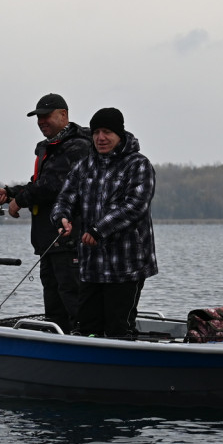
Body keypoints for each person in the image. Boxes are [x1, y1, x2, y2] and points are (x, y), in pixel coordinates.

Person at [0, 93, 91, 333]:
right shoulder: (50, 147)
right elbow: (40, 181)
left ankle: (86, 343)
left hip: (69, 239)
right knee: (54, 307)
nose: (41, 121)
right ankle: (60, 348)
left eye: (47, 116)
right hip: (49, 241)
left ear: (64, 115)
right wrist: (10, 192)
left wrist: (19, 201)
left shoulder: (77, 146)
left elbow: (53, 184)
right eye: (38, 117)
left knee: (73, 298)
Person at [51, 107, 157, 338]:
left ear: (120, 134)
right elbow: (65, 198)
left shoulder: (138, 164)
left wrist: (99, 230)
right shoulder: (84, 166)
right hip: (91, 266)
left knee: (118, 328)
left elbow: (135, 206)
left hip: (126, 265)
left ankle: (125, 367)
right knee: (87, 328)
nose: (101, 138)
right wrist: (61, 218)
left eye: (107, 132)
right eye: (96, 132)